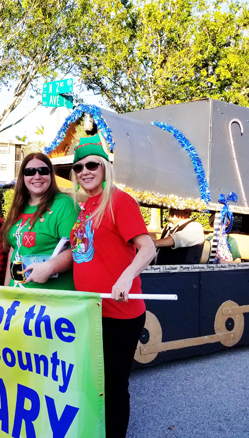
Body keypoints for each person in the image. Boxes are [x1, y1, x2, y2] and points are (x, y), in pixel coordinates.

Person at [70, 134, 156, 438]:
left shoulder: (119, 201)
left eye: (92, 164)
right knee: (95, 383)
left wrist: (125, 277)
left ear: (105, 166)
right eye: (78, 167)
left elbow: (147, 249)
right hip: (91, 312)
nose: (85, 171)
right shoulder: (84, 207)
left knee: (114, 385)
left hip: (119, 314)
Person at [2, 153, 80, 289]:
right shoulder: (19, 206)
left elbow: (77, 249)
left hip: (50, 299)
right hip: (18, 295)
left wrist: (49, 267)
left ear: (51, 175)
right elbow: (14, 250)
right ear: (22, 177)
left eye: (43, 171)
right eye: (30, 171)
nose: (37, 176)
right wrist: (6, 290)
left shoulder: (64, 205)